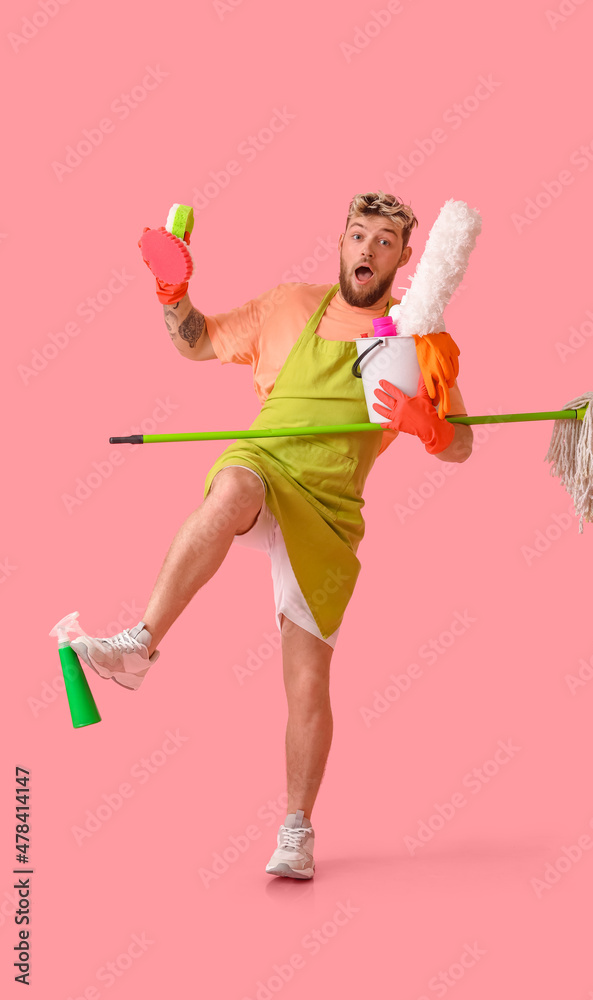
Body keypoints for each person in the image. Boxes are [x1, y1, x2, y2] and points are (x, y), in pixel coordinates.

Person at [72, 191, 474, 879]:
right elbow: (195, 341)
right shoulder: (290, 305)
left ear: (406, 257)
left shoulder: (417, 341)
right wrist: (173, 292)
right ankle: (138, 645)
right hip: (265, 471)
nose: (367, 251)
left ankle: (296, 831)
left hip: (330, 513)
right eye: (358, 235)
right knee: (233, 483)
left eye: (384, 242)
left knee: (307, 680)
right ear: (341, 240)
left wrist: (428, 425)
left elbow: (460, 445)